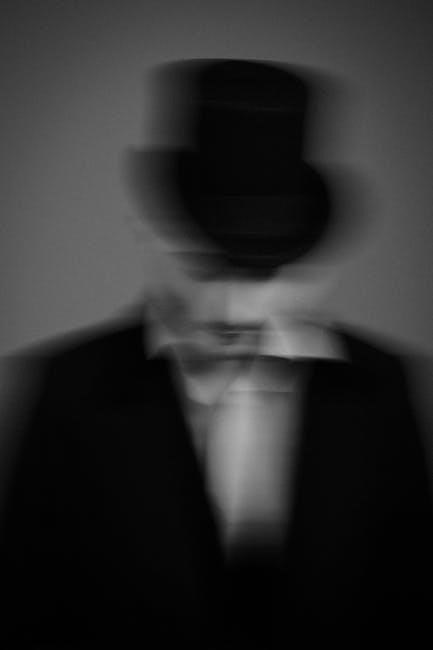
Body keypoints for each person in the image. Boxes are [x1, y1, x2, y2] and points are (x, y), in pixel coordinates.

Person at [0, 59, 432, 649]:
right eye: (203, 267)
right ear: (154, 232)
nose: (232, 311)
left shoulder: (384, 394)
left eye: (264, 272)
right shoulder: (68, 392)